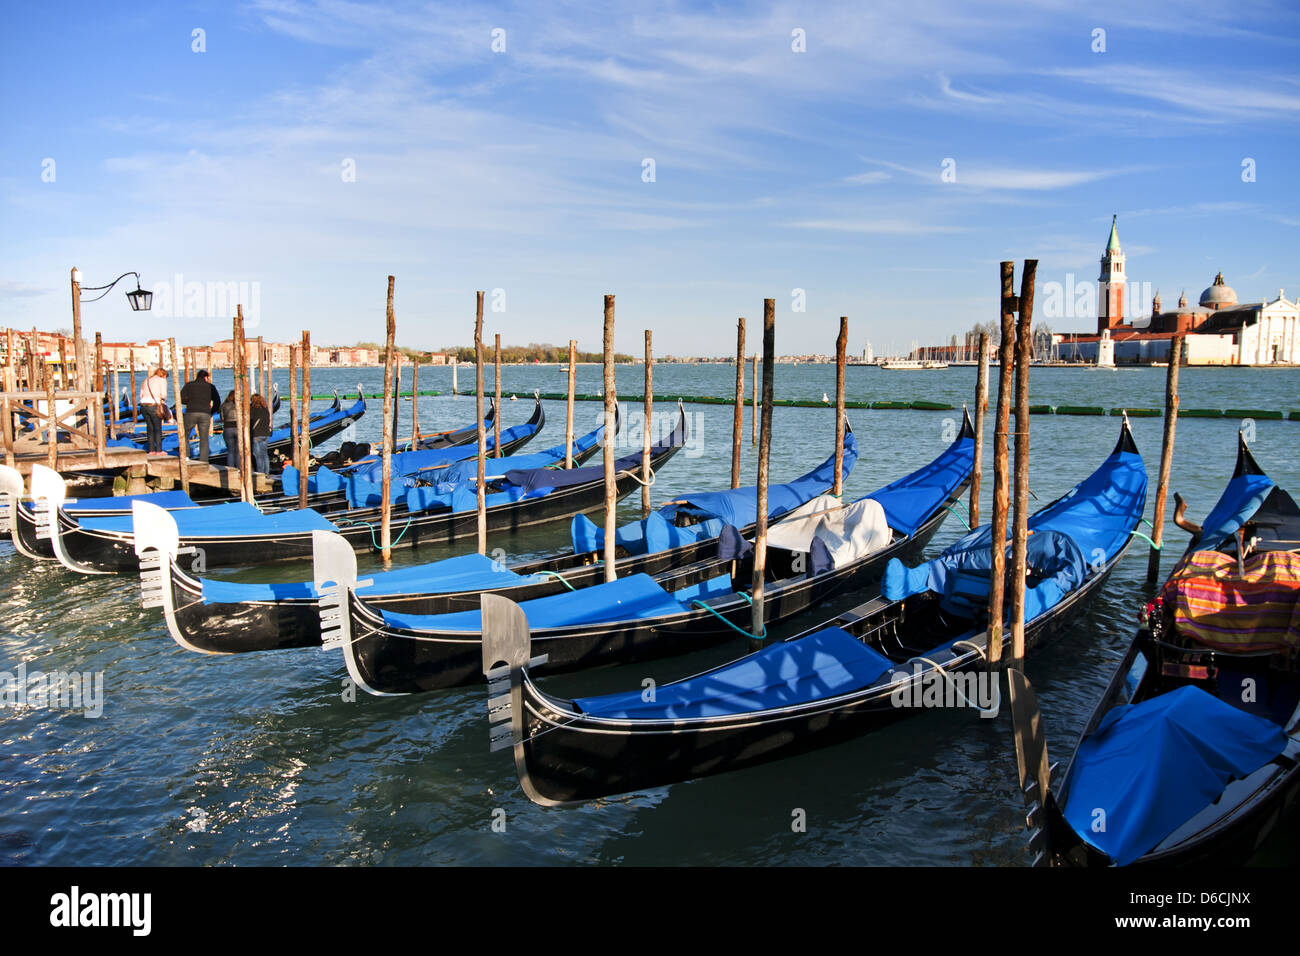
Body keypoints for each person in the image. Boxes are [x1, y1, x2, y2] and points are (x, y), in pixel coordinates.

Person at [180, 370, 222, 463]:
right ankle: (204, 460)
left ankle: (186, 456)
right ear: (206, 377)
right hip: (205, 414)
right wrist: (212, 412)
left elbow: (181, 398)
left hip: (191, 412)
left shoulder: (189, 385)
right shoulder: (210, 386)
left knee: (185, 434)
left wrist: (190, 402)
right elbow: (218, 402)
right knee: (204, 438)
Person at [138, 368, 170, 455]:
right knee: (157, 428)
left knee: (150, 428)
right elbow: (164, 394)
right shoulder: (162, 380)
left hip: (143, 406)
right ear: (163, 375)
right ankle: (159, 450)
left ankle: (151, 450)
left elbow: (141, 394)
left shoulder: (146, 380)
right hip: (154, 405)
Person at [249, 393, 272, 474]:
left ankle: (260, 473)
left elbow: (250, 421)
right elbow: (268, 421)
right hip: (266, 434)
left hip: (257, 434)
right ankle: (267, 473)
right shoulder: (265, 409)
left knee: (258, 456)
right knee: (265, 454)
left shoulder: (252, 409)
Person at [221, 391, 240, 468]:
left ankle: (231, 468)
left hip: (227, 428)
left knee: (230, 451)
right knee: (238, 451)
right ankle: (239, 468)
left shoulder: (224, 405)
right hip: (237, 427)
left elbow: (222, 418)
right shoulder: (239, 405)